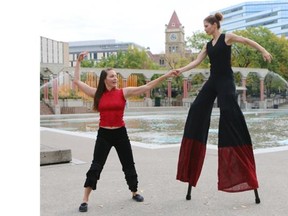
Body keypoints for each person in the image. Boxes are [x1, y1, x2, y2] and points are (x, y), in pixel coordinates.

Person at [173, 12, 272, 200]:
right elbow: (196, 61)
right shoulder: (208, 45)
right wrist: (180, 70)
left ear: (215, 25)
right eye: (204, 27)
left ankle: (240, 152)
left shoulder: (228, 37)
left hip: (226, 81)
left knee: (229, 114)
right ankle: (195, 144)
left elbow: (248, 41)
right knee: (196, 108)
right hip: (213, 81)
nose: (205, 29)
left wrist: (264, 50)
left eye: (206, 26)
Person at [73, 51, 177, 212]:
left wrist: (167, 75)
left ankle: (134, 191)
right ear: (104, 79)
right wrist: (78, 62)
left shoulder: (123, 92)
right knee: (96, 166)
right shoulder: (97, 94)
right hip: (104, 135)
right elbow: (77, 81)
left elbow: (147, 86)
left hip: (120, 134)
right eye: (112, 76)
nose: (115, 78)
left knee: (128, 165)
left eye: (116, 76)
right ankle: (85, 199)